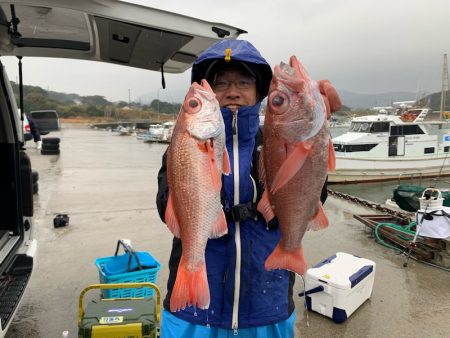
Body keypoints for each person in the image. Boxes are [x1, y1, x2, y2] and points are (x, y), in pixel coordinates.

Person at [156, 39, 341, 338]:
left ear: (259, 92)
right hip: (194, 307)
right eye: (221, 83)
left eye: (244, 82)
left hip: (267, 304)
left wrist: (317, 136)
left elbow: (313, 196)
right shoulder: (183, 144)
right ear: (211, 93)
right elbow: (164, 204)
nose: (232, 91)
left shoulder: (274, 139)